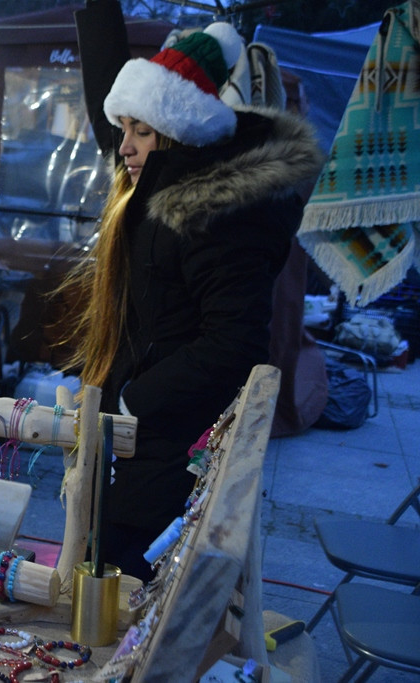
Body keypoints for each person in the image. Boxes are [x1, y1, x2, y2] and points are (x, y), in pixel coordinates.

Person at [63, 1, 324, 581]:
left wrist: (134, 398)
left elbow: (234, 340)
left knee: (132, 585)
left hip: (176, 441)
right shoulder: (160, 189)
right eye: (123, 129)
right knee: (107, 577)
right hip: (142, 437)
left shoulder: (217, 212)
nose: (125, 146)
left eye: (140, 131)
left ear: (177, 133)